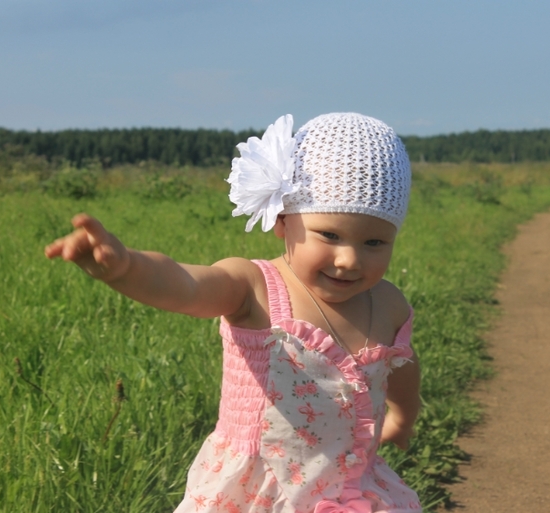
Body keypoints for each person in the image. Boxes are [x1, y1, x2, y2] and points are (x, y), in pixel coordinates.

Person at [45, 112, 422, 512]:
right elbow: (186, 286)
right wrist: (126, 268)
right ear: (282, 219)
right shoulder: (253, 288)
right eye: (329, 235)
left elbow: (400, 367)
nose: (349, 260)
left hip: (351, 490)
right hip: (255, 494)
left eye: (375, 243)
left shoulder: (387, 303)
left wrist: (402, 414)